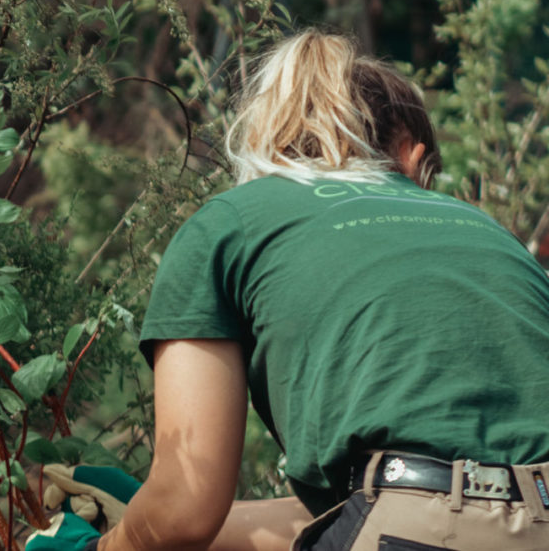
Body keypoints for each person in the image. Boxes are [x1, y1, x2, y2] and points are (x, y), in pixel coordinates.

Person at [30, 30, 549, 550]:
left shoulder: (231, 223)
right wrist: (141, 511)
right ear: (411, 157)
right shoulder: (486, 230)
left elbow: (185, 512)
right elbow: (448, 503)